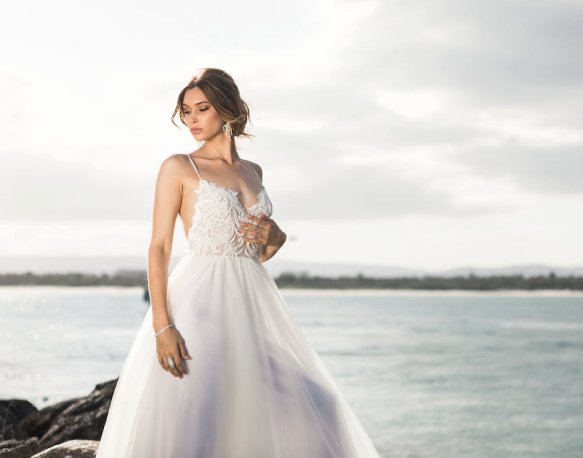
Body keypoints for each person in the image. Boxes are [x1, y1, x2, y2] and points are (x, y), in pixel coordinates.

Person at [95, 68, 381, 457]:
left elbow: (258, 251)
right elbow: (159, 247)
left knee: (320, 406)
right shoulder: (180, 167)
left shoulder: (253, 171)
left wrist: (276, 237)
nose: (192, 120)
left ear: (227, 109)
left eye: (202, 109)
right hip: (200, 305)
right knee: (199, 422)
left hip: (250, 305)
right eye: (187, 111)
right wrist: (163, 326)